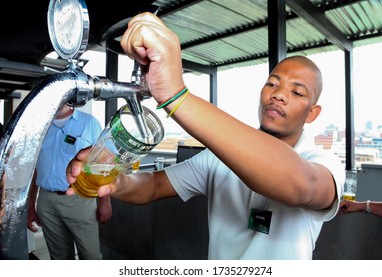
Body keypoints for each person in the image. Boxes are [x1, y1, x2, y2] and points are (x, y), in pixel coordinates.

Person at [66, 12, 345, 260]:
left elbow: (301, 186)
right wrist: (116, 181)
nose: (279, 94)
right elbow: (153, 186)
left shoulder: (323, 162)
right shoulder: (218, 158)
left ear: (312, 113)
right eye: (272, 83)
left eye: (297, 92)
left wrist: (176, 96)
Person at [28, 104, 112, 260]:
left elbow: (103, 163)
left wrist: (105, 201)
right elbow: (36, 168)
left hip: (79, 199)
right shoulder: (41, 126)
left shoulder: (89, 123)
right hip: (46, 201)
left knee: (90, 255)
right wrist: (31, 205)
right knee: (59, 256)